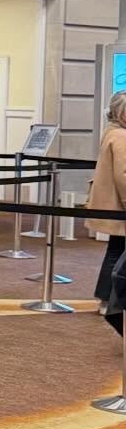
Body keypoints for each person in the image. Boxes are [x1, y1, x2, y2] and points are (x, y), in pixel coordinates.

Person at [86, 91, 126, 329]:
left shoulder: (111, 132)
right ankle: (109, 300)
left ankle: (104, 297)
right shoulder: (121, 136)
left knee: (115, 250)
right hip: (119, 204)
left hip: (112, 203)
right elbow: (123, 175)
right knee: (118, 255)